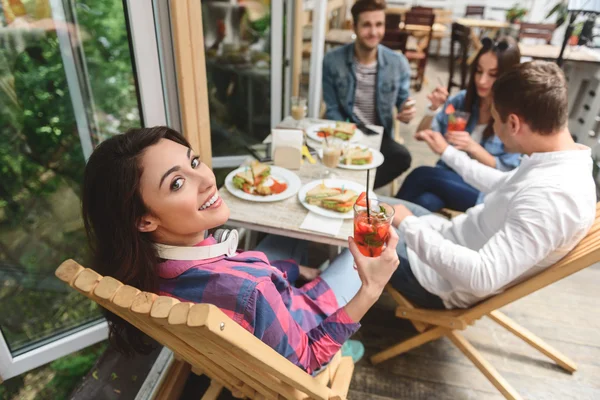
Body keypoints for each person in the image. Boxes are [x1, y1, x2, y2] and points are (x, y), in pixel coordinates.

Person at [81, 126, 400, 374]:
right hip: (307, 322)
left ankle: (303, 270)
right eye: (177, 183)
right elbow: (307, 359)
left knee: (291, 238)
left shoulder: (147, 272)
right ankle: (344, 346)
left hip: (264, 310)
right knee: (381, 239)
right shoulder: (252, 288)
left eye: (194, 161)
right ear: (144, 220)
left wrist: (295, 271)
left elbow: (251, 279)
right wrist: (371, 289)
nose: (206, 179)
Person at [383, 61, 596, 310]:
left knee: (353, 224)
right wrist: (449, 152)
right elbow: (500, 183)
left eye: (495, 119)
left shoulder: (551, 198)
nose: (494, 127)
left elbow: (481, 277)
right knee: (362, 204)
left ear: (514, 124)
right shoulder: (560, 163)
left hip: (434, 279)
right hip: (442, 236)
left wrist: (408, 224)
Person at [396, 37, 522, 212]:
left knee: (422, 175)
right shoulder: (463, 101)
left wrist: (472, 147)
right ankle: (386, 232)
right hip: (448, 177)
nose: (482, 81)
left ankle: (377, 225)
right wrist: (433, 109)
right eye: (478, 71)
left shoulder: (512, 118)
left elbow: (507, 173)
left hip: (482, 190)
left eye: (492, 75)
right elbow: (421, 134)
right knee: (425, 202)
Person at [322, 0, 415, 189]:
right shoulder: (332, 61)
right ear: (354, 26)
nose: (374, 32)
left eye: (379, 24)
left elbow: (403, 102)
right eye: (366, 25)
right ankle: (352, 189)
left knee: (403, 157)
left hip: (378, 135)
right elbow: (331, 108)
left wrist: (407, 111)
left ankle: (354, 190)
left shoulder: (397, 63)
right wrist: (349, 137)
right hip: (344, 132)